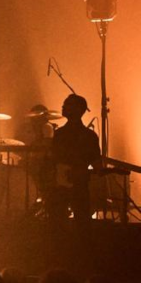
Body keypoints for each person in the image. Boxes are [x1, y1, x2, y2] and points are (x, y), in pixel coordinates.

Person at [48, 94, 101, 222]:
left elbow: (53, 158)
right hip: (77, 183)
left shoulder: (60, 134)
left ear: (77, 109)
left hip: (64, 184)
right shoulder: (89, 135)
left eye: (67, 104)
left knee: (60, 220)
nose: (63, 106)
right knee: (81, 219)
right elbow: (97, 165)